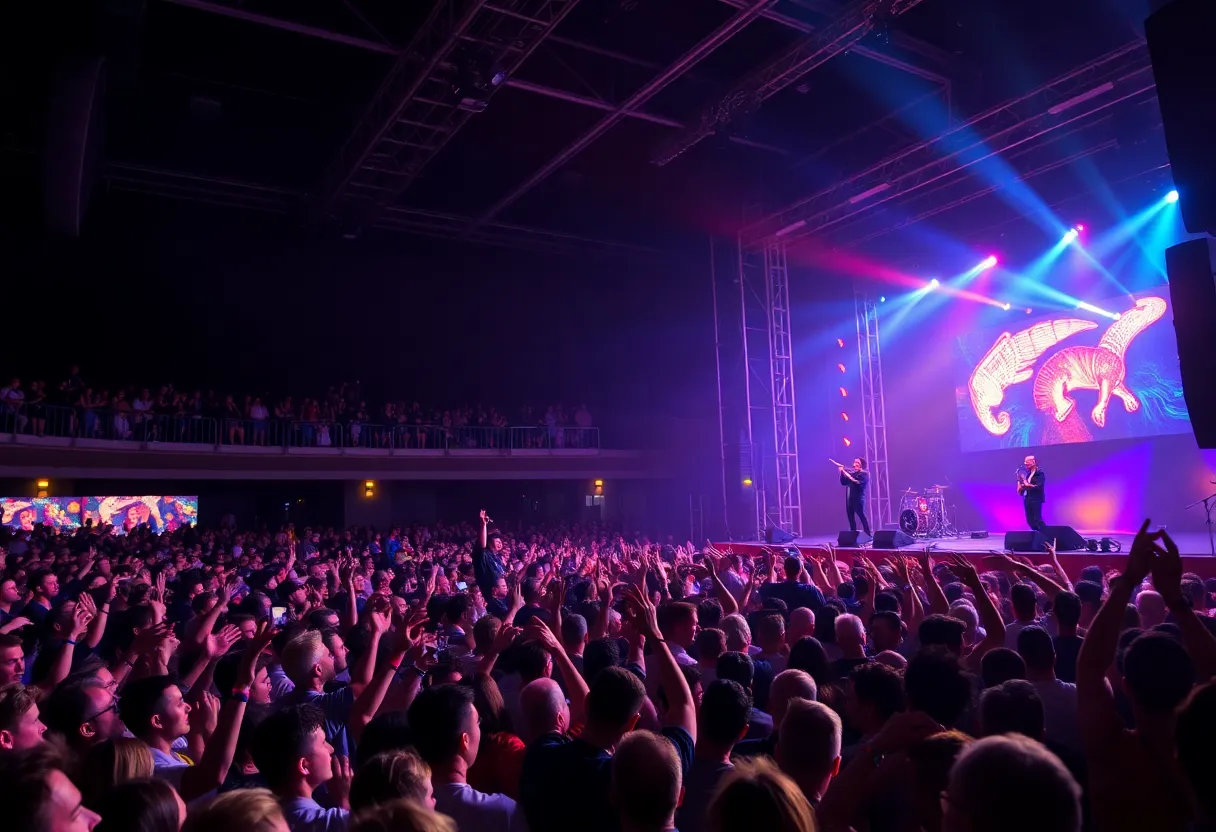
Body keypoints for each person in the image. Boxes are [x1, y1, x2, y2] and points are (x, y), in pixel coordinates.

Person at [839, 458, 871, 537]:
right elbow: (843, 482)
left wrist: (844, 472)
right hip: (849, 499)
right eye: (854, 462)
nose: (855, 463)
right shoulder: (853, 473)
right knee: (850, 517)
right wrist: (842, 473)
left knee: (861, 515)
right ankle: (853, 535)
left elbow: (856, 482)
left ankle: (868, 534)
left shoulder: (865, 474)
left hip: (858, 498)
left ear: (861, 465)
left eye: (857, 462)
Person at [1017, 455, 1046, 532]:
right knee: (1029, 519)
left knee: (1037, 519)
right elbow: (1023, 488)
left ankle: (1046, 534)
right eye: (1025, 462)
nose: (1025, 464)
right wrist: (1020, 485)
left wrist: (1025, 483)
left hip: (1036, 498)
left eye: (1027, 462)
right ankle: (1038, 534)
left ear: (1033, 462)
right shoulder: (1028, 474)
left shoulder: (1039, 473)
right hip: (1027, 499)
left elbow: (1038, 486)